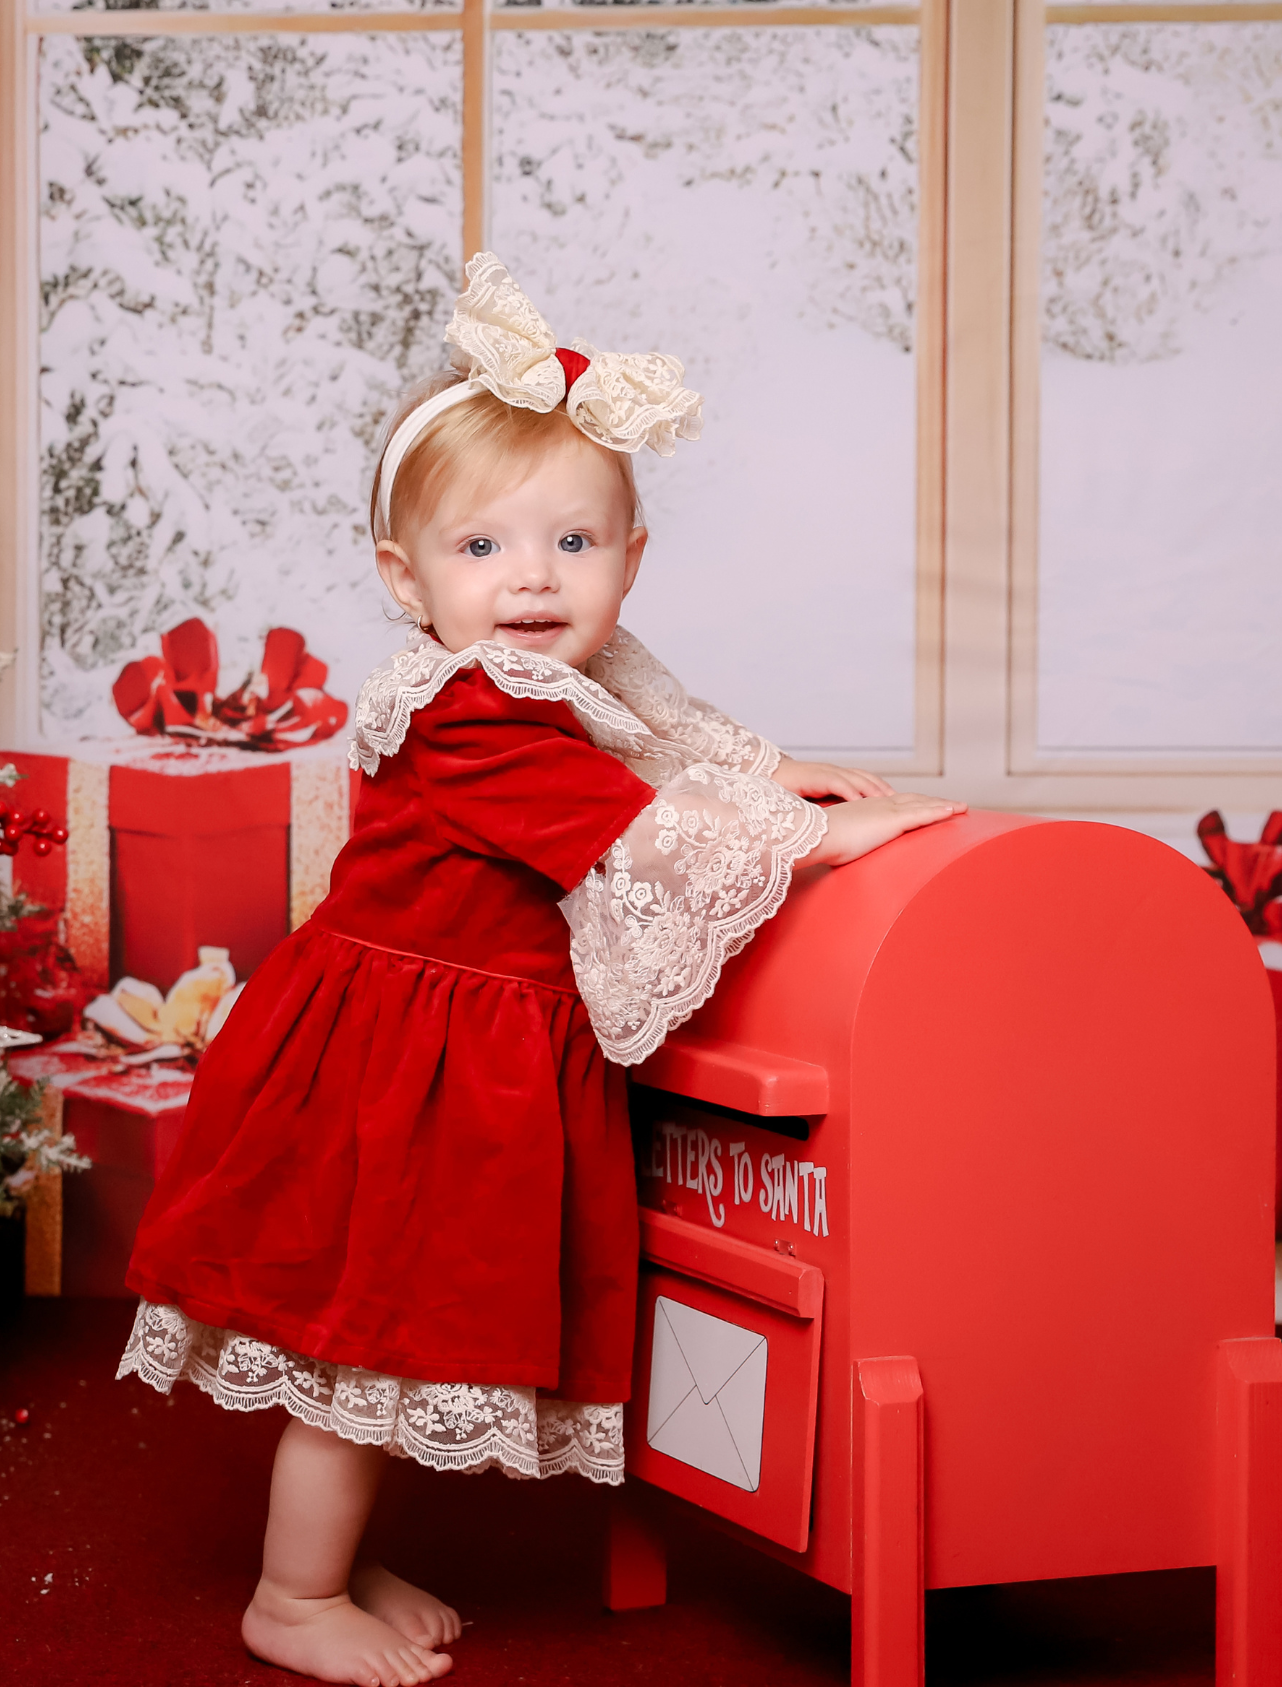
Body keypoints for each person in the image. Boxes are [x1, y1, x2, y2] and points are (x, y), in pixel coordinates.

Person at [118, 254, 965, 1686]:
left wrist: (772, 777)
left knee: (389, 1339)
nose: (531, 579)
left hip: (458, 1049)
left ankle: (333, 1560)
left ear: (630, 565)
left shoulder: (573, 686)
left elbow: (664, 742)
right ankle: (292, 1595)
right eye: (483, 549)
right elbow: (631, 828)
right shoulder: (467, 713)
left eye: (575, 545)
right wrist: (816, 841)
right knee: (361, 1344)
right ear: (406, 577)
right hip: (399, 1067)